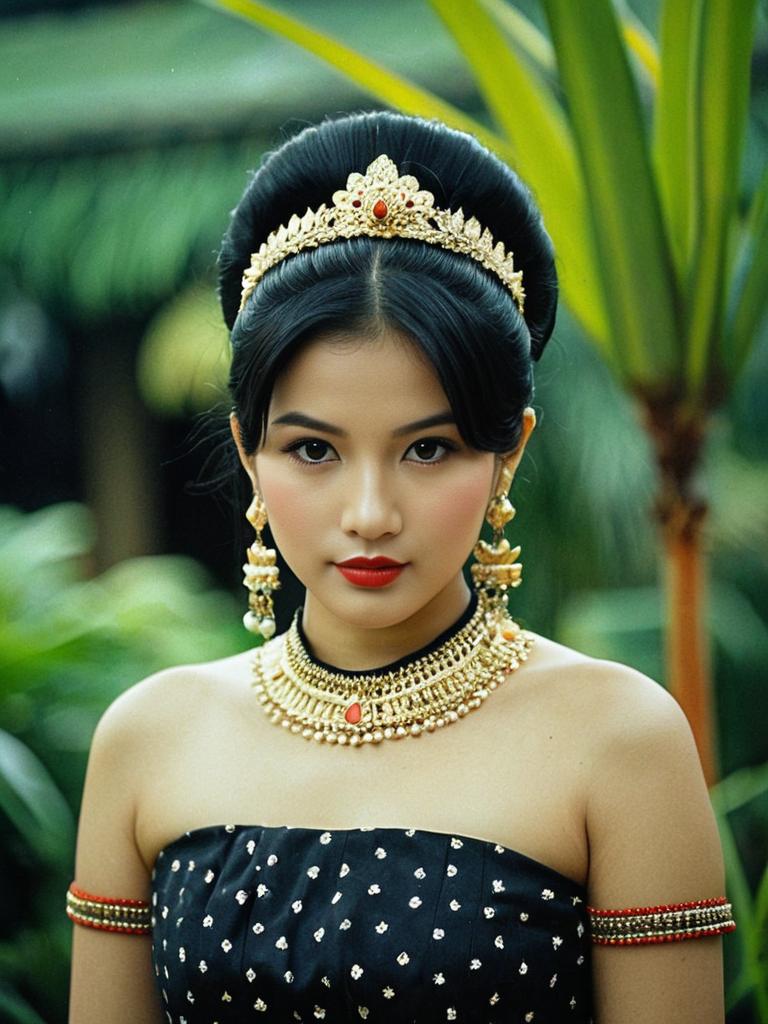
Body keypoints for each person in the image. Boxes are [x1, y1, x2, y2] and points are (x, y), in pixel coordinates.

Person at [67, 111, 735, 1024]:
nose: (371, 513)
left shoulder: (620, 744)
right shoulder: (149, 739)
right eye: (313, 451)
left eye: (428, 450)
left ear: (509, 454)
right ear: (248, 450)